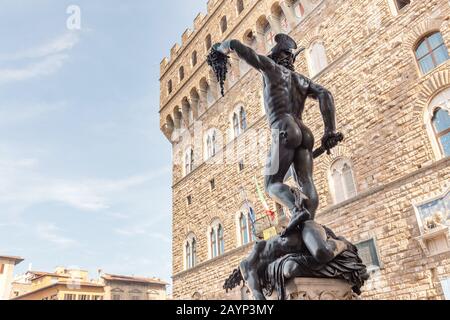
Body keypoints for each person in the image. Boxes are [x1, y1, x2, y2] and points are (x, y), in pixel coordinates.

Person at [214, 34, 348, 300]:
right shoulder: (301, 80)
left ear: (276, 58)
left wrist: (221, 48)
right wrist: (329, 130)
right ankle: (306, 219)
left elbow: (241, 49)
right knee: (305, 182)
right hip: (305, 131)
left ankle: (298, 211)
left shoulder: (271, 68)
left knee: (271, 184)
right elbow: (325, 94)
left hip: (283, 128)